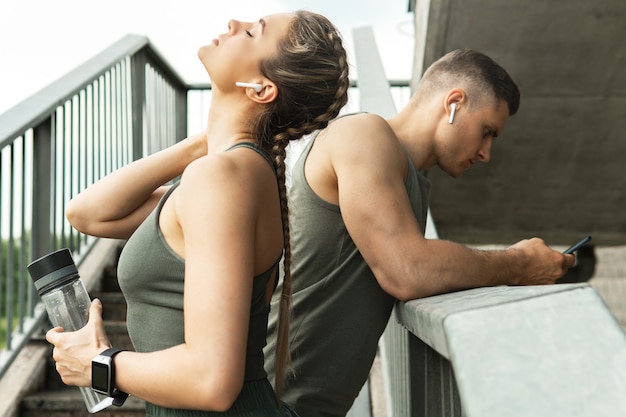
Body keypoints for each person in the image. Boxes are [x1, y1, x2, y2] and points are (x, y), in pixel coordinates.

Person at [45, 10, 350, 417]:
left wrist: (100, 365)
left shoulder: (223, 178)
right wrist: (206, 141)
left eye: (253, 31)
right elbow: (88, 213)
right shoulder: (224, 172)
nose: (233, 23)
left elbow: (212, 381)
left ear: (261, 88)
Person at [263, 48, 576, 417]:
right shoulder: (363, 135)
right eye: (487, 131)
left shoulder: (410, 181)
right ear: (454, 102)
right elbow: (408, 270)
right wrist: (520, 264)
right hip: (267, 407)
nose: (487, 153)